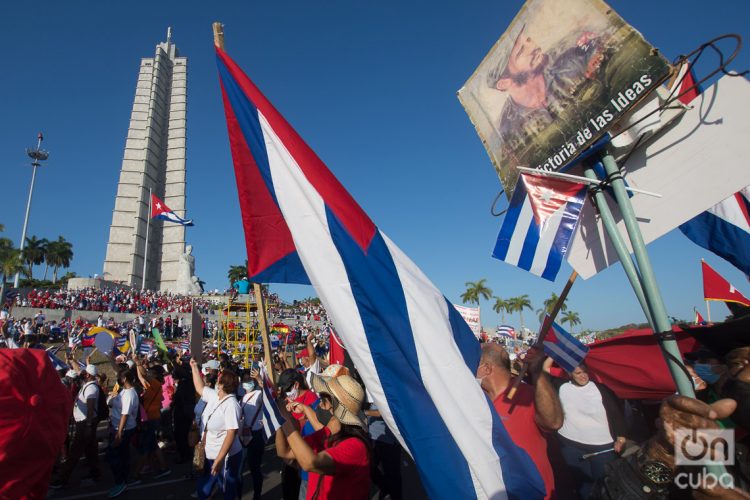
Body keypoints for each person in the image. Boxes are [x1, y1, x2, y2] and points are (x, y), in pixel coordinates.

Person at [476, 343, 562, 499]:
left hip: (535, 492)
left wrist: (537, 374)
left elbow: (554, 423)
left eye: (474, 366)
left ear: (487, 368)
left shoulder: (529, 396)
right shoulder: (477, 400)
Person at [276, 373, 371, 500]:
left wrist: (287, 420)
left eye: (322, 401)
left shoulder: (355, 446)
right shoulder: (327, 433)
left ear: (334, 407)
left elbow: (310, 463)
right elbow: (285, 452)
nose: (319, 405)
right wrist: (279, 420)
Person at [544, 360, 627, 498]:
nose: (583, 376)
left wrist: (621, 438)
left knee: (605, 484)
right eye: (578, 373)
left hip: (602, 446)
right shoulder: (562, 387)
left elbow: (616, 413)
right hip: (571, 445)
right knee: (583, 484)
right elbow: (545, 370)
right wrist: (555, 351)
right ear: (570, 374)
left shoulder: (601, 389)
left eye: (585, 372)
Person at [190, 358, 243, 500]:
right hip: (209, 453)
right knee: (204, 490)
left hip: (226, 457)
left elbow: (231, 433)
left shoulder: (231, 404)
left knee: (227, 491)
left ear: (221, 384)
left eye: (218, 380)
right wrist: (194, 368)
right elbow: (200, 388)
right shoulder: (215, 396)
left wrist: (219, 460)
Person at [51, 364, 102, 489]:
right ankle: (95, 471)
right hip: (85, 422)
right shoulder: (89, 385)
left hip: (85, 423)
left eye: (84, 373)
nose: (82, 374)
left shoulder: (91, 389)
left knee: (75, 451)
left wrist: (88, 423)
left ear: (88, 375)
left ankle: (63, 477)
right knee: (90, 448)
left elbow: (90, 407)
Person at [277, 368, 321, 499]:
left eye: (287, 389)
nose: (286, 394)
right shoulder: (286, 400)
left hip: (305, 452)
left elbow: (312, 425)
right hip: (290, 452)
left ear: (296, 385)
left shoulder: (312, 399)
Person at [130, 360, 170, 484]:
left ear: (155, 375)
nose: (149, 374)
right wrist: (137, 365)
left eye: (151, 373)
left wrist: (138, 363)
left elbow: (142, 375)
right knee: (153, 445)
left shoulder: (154, 384)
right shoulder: (154, 384)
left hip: (150, 419)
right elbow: (141, 376)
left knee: (145, 447)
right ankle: (163, 468)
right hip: (152, 417)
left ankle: (135, 475)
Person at [106, 367, 139, 498]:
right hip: (118, 427)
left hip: (123, 430)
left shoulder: (130, 394)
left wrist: (119, 433)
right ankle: (125, 479)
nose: (117, 380)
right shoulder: (125, 391)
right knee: (123, 455)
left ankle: (120, 481)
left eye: (119, 378)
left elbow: (125, 414)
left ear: (124, 379)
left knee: (112, 455)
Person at [239, 369, 265, 500]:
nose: (246, 383)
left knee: (255, 468)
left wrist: (260, 379)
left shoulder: (259, 394)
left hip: (256, 435)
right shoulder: (242, 398)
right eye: (244, 380)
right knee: (239, 469)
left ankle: (257, 495)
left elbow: (268, 393)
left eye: (249, 380)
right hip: (244, 435)